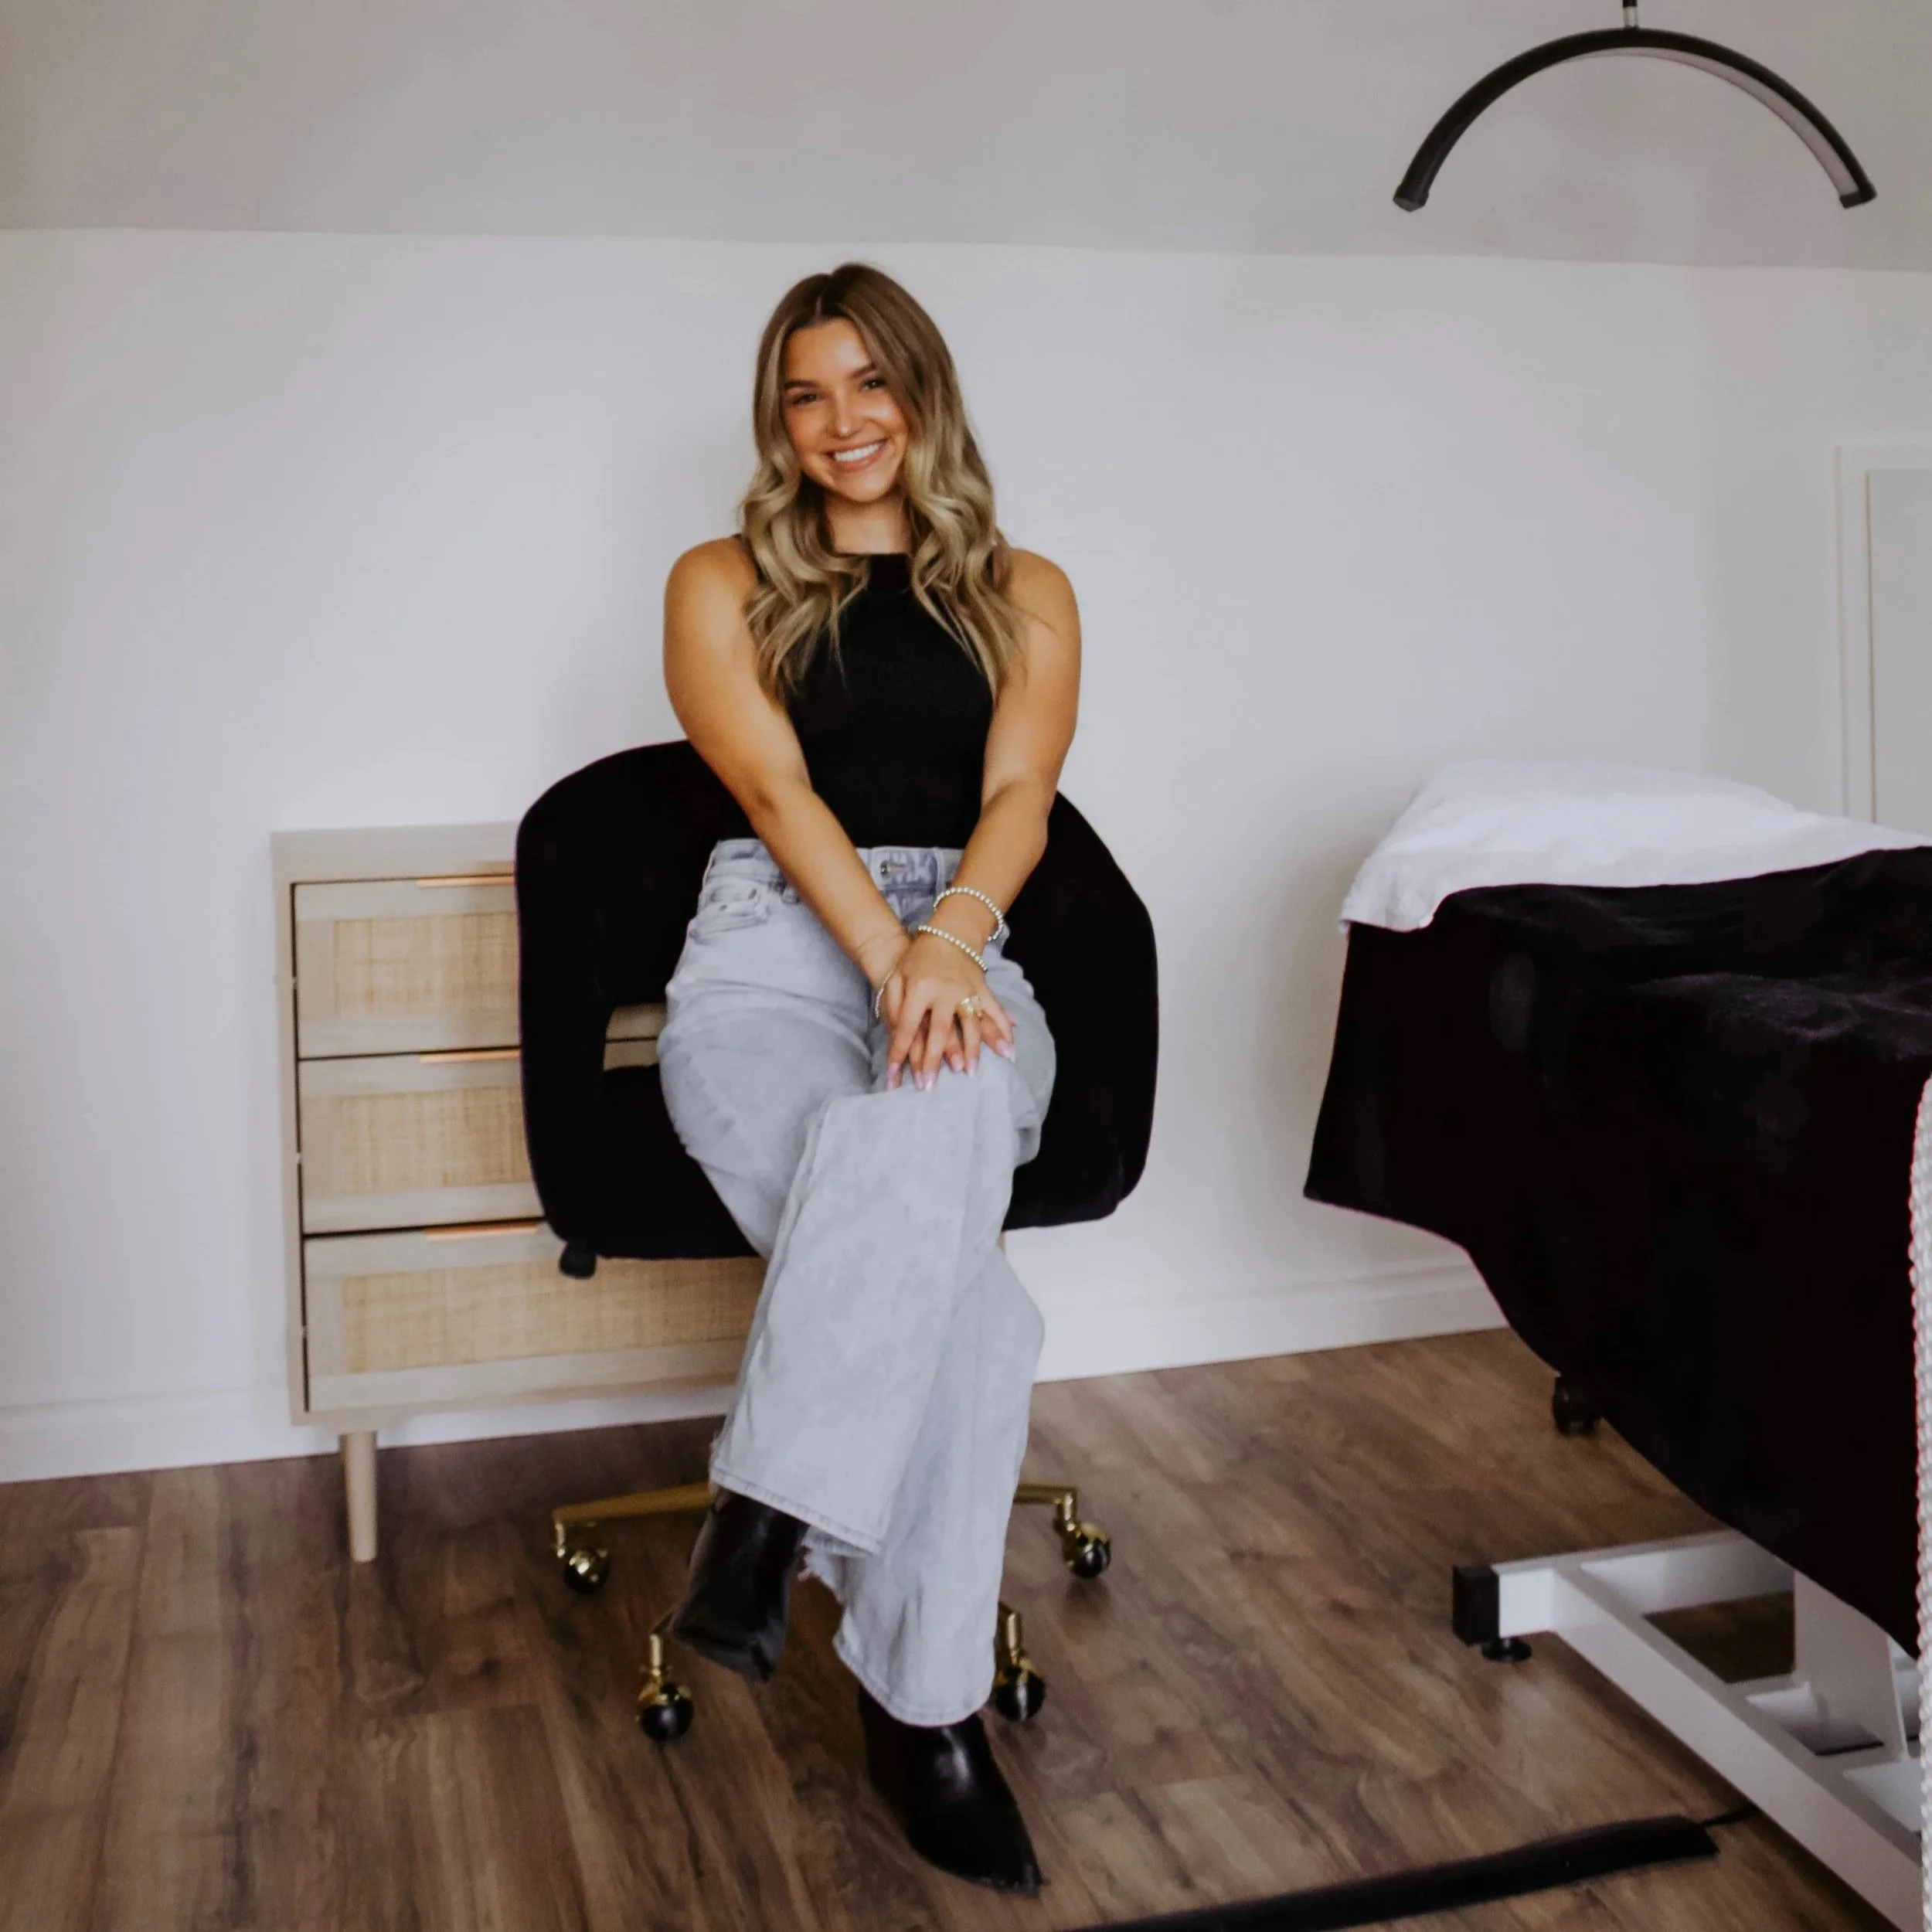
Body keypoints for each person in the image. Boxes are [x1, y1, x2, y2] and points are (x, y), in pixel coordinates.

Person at [655, 261, 1080, 1894]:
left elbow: (1023, 792)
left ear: (924, 389)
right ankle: (925, 1713)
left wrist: (947, 944)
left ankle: (766, 1512)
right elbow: (768, 785)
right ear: (776, 417)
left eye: (867, 384)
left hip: (963, 934)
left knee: (953, 1087)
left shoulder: (1021, 585)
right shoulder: (719, 578)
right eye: (802, 393)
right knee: (963, 1308)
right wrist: (883, 951)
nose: (838, 423)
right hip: (773, 941)